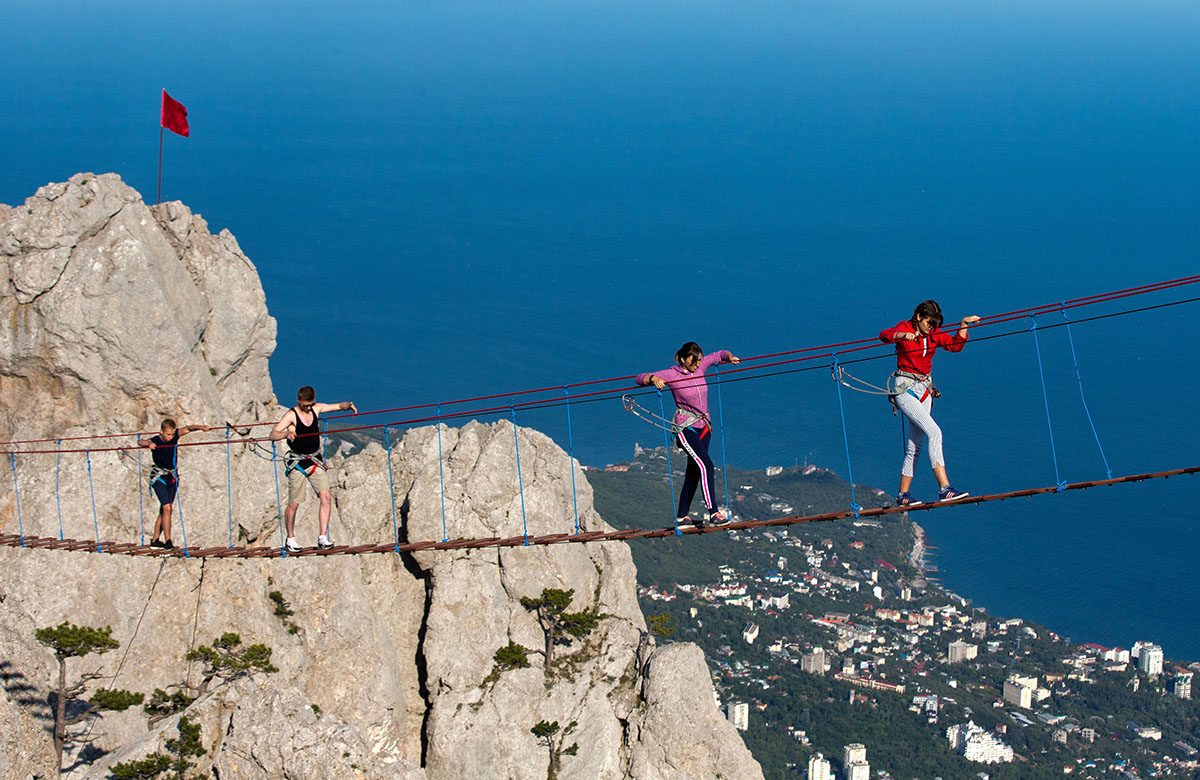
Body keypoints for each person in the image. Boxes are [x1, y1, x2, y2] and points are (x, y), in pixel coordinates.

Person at [880, 300, 981, 506]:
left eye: (934, 323)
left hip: (924, 390)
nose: (932, 327)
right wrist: (902, 335)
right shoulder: (905, 327)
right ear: (918, 317)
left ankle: (903, 495)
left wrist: (963, 325)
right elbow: (884, 335)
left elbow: (955, 346)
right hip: (905, 388)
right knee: (935, 433)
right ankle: (945, 489)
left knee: (914, 446)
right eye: (929, 322)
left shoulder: (934, 333)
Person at [637, 342, 741, 527]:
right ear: (683, 360)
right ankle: (714, 513)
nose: (697, 365)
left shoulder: (701, 366)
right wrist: (653, 378)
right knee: (706, 465)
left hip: (705, 427)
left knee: (693, 472)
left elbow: (719, 354)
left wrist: (729, 357)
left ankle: (682, 517)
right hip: (686, 427)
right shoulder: (671, 374)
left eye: (699, 360)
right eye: (693, 361)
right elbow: (639, 378)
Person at [270, 386, 357, 552]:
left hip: (314, 460)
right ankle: (290, 539)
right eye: (306, 405)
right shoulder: (291, 416)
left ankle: (323, 537)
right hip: (298, 463)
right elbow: (273, 434)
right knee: (294, 504)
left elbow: (337, 406)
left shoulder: (315, 410)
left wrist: (348, 405)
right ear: (299, 401)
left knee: (325, 497)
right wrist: (286, 434)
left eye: (311, 404)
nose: (309, 408)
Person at [139, 419, 217, 549]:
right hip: (159, 477)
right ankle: (168, 541)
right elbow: (141, 441)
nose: (170, 437)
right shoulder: (156, 440)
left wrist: (201, 427)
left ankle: (155, 540)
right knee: (167, 508)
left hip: (172, 477)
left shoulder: (175, 436)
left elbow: (189, 428)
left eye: (171, 434)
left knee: (164, 509)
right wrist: (149, 444)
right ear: (161, 432)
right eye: (167, 434)